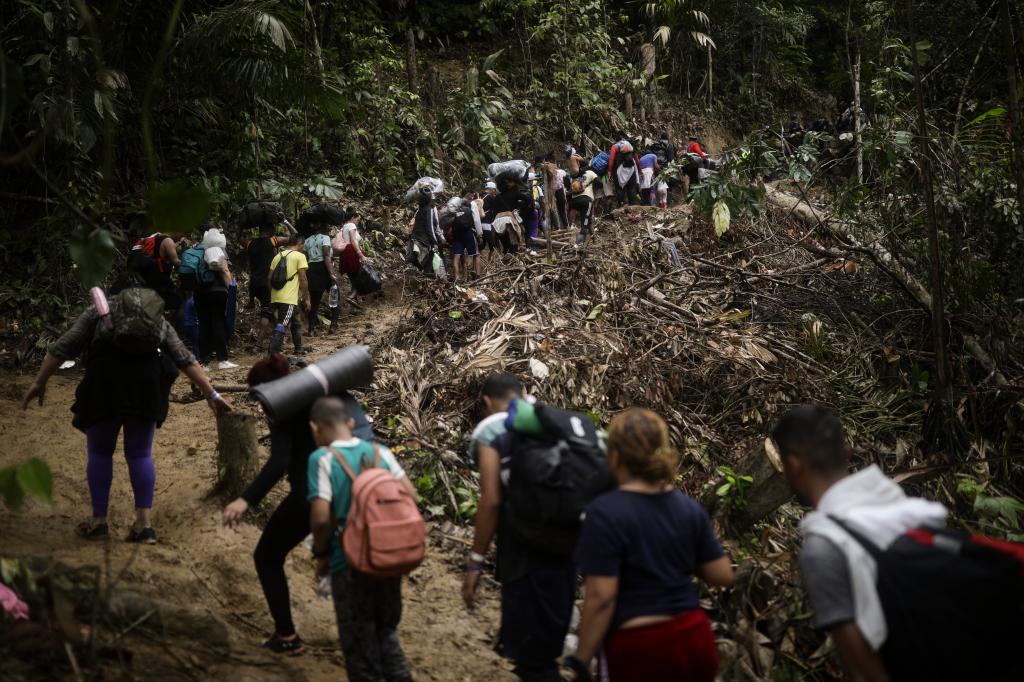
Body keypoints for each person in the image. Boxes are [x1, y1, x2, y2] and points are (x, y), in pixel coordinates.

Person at [21, 286, 231, 543]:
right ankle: (144, 525)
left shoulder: (97, 313)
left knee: (99, 452)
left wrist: (40, 381)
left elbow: (62, 348)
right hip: (146, 384)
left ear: (115, 298)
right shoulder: (156, 318)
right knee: (140, 454)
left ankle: (99, 521)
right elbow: (184, 358)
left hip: (104, 383)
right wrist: (212, 395)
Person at [772, 405, 951, 682]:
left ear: (794, 466)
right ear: (847, 455)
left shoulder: (825, 546)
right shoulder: (909, 511)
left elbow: (863, 670)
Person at [222, 356, 377, 655]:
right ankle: (372, 635)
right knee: (350, 564)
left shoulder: (284, 405)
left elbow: (278, 461)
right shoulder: (321, 396)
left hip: (312, 495)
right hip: (352, 493)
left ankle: (286, 636)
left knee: (267, 556)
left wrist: (246, 499)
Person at [565, 408, 734, 682]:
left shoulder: (605, 512)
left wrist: (582, 661)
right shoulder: (688, 508)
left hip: (640, 646)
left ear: (615, 455)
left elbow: (601, 597)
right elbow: (722, 575)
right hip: (695, 638)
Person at [462, 373, 576, 682]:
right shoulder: (557, 421)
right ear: (523, 393)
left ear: (486, 402)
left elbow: (491, 501)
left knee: (535, 664)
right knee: (548, 649)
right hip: (568, 549)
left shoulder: (491, 431)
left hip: (524, 558)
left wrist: (475, 564)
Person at [307, 396, 416, 682]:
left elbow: (319, 518)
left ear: (315, 428)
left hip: (349, 562)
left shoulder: (321, 459)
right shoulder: (380, 452)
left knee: (359, 645)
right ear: (352, 423)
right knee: (386, 634)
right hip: (387, 557)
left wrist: (322, 555)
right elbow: (411, 497)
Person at [194, 227, 236, 370]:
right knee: (218, 324)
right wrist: (231, 289)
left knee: (204, 325)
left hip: (199, 293)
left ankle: (204, 362)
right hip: (217, 292)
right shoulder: (218, 250)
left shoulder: (198, 250)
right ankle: (222, 360)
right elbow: (224, 270)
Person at [268, 234, 310, 356]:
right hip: (288, 299)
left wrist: (273, 294)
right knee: (282, 324)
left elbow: (269, 278)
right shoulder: (299, 256)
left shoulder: (277, 256)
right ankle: (273, 353)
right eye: (303, 245)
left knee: (295, 320)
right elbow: (303, 279)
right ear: (300, 243)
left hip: (276, 297)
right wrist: (307, 299)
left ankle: (298, 348)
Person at [246, 224, 288, 340]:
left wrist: (250, 299)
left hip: (254, 284)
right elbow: (295, 237)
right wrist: (286, 222)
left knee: (272, 308)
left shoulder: (249, 243)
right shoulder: (273, 241)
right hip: (267, 283)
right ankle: (259, 343)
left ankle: (280, 337)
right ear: (270, 230)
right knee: (267, 311)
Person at [129, 232, 185, 315]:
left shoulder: (154, 238)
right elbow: (176, 262)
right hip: (159, 279)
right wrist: (189, 263)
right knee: (178, 301)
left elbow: (159, 251)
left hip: (145, 278)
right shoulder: (168, 240)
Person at [303, 222, 339, 337]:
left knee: (314, 301)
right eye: (326, 225)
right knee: (334, 296)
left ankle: (311, 330)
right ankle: (333, 325)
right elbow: (326, 256)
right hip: (324, 268)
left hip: (311, 269)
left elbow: (306, 256)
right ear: (320, 226)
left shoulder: (307, 240)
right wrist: (331, 274)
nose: (328, 227)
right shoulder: (325, 238)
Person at [333, 208, 369, 306]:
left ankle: (354, 304)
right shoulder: (352, 225)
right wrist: (360, 254)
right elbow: (353, 240)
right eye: (356, 218)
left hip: (345, 253)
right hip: (352, 252)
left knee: (353, 278)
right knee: (362, 276)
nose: (357, 221)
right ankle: (351, 296)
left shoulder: (344, 226)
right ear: (353, 217)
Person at [449, 194, 481, 281]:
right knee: (475, 254)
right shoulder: (468, 210)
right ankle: (477, 275)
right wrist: (479, 234)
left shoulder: (453, 212)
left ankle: (457, 277)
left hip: (457, 235)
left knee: (457, 257)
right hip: (468, 233)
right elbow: (475, 221)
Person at [409, 191, 442, 275]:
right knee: (430, 257)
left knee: (417, 261)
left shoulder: (420, 209)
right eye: (433, 200)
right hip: (423, 240)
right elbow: (429, 227)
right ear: (429, 200)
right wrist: (434, 242)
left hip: (415, 238)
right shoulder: (429, 209)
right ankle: (427, 275)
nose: (435, 202)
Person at [568, 163, 599, 245]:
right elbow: (599, 184)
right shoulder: (591, 173)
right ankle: (579, 243)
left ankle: (592, 239)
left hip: (574, 200)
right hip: (586, 200)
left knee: (586, 219)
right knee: (584, 222)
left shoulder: (575, 175)